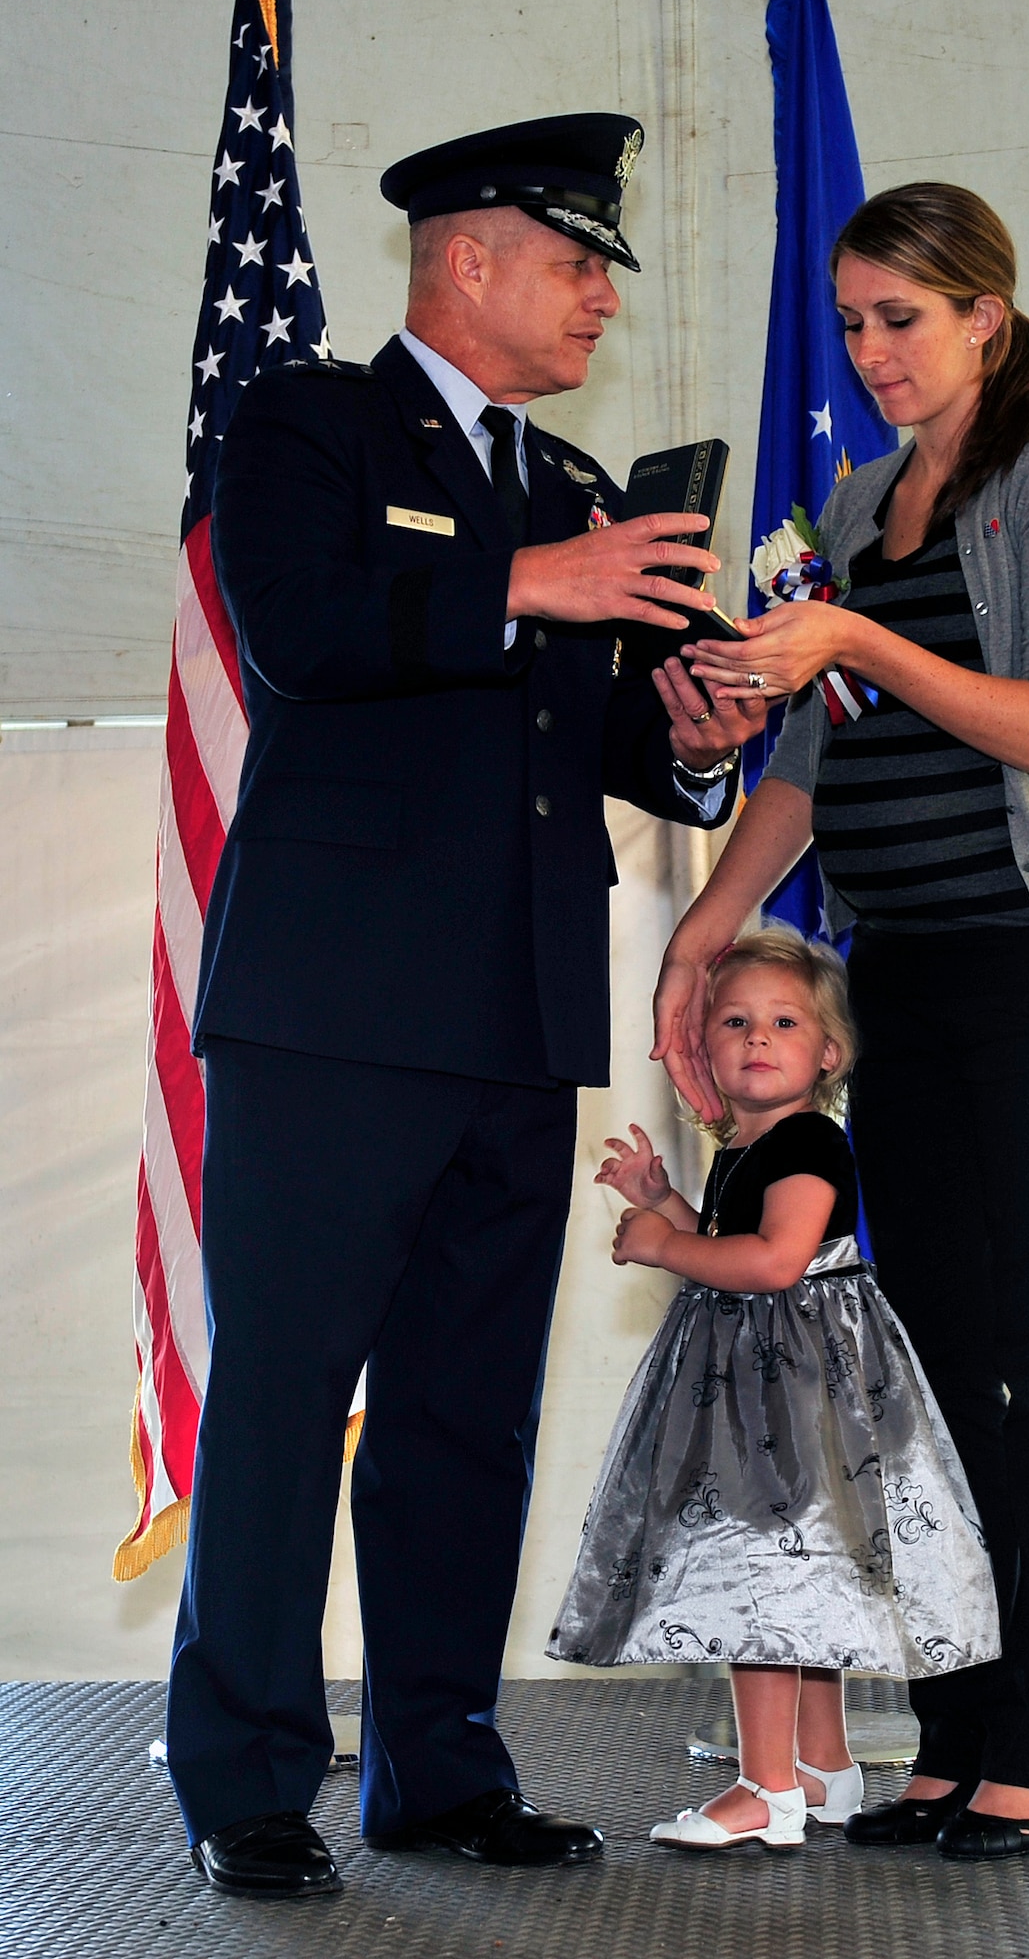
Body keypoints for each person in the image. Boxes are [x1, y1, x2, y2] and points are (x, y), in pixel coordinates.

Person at [166, 112, 768, 1899]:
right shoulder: (307, 422)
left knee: (462, 1415)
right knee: (282, 1404)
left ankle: (439, 1768)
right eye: (578, 259)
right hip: (335, 1014)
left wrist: (686, 735)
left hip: (515, 1013)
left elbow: (594, 737)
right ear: (469, 258)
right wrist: (526, 582)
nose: (599, 297)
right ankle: (251, 1783)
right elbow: (301, 635)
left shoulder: (577, 489)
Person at [655, 183, 1029, 1861]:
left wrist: (856, 627)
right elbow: (814, 756)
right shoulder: (859, 500)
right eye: (854, 318)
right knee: (927, 1367)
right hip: (910, 975)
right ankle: (950, 1728)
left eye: (902, 318)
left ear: (983, 323)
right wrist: (710, 928)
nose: (870, 349)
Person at [548, 929, 1000, 1851]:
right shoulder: (754, 1146)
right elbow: (731, 1239)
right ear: (704, 1047)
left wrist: (666, 1245)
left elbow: (776, 1260)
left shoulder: (807, 1144)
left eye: (783, 1022)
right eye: (735, 1021)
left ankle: (766, 1789)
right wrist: (667, 1201)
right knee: (803, 1580)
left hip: (788, 1393)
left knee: (761, 1581)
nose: (757, 1037)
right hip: (765, 1385)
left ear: (827, 1053)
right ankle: (823, 1769)